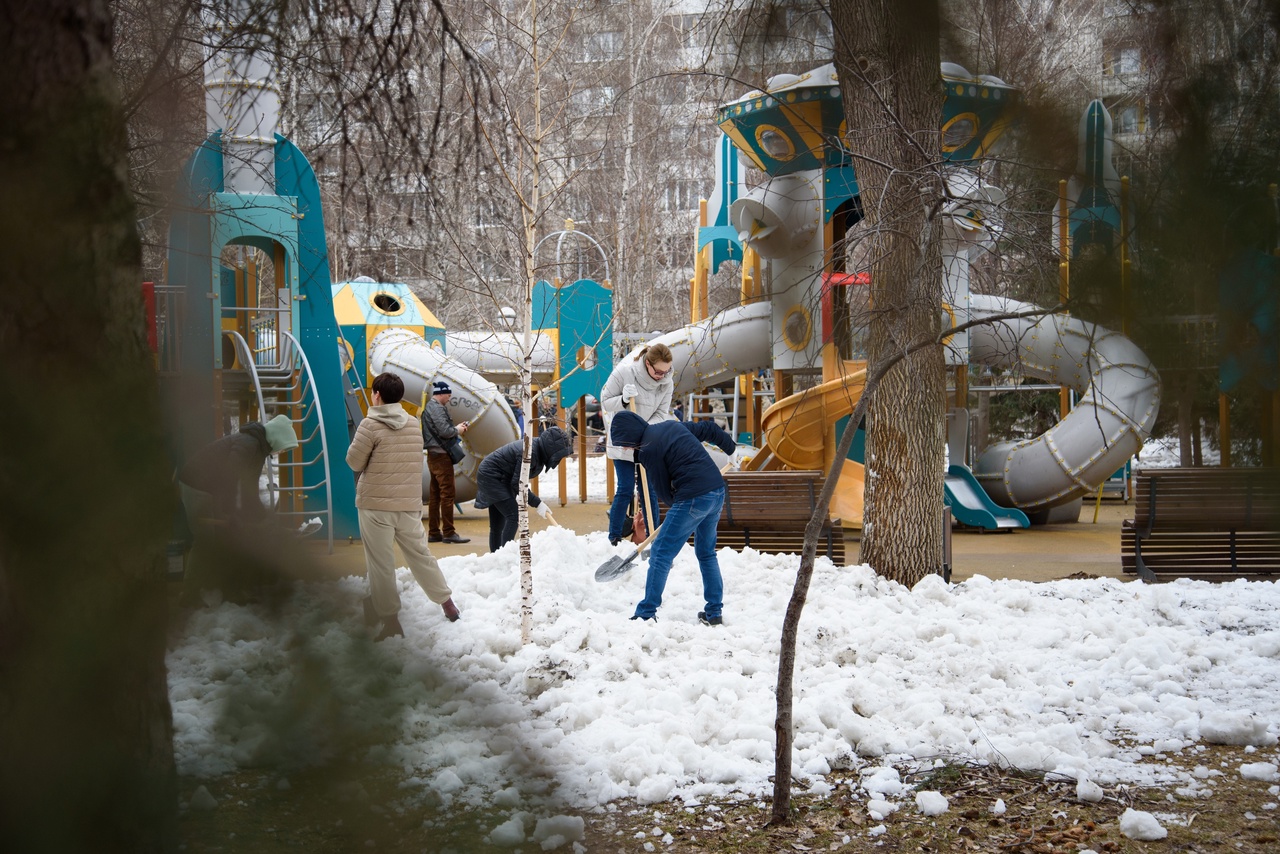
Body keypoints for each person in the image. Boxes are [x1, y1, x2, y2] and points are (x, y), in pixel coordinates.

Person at [348, 372, 460, 640]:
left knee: (381, 564)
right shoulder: (412, 423)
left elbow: (354, 462)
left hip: (375, 506)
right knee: (421, 555)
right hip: (408, 505)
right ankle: (448, 604)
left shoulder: (369, 425)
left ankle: (390, 621)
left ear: (376, 394)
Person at [609, 411, 736, 625]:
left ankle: (646, 612)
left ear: (631, 437)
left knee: (660, 552)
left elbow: (663, 491)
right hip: (716, 491)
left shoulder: (648, 449)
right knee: (706, 553)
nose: (625, 449)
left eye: (624, 444)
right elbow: (709, 429)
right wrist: (731, 449)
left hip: (693, 497)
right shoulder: (671, 426)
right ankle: (714, 612)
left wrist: (679, 510)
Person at [177, 413, 303, 603]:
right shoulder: (248, 444)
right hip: (197, 486)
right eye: (283, 448)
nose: (281, 453)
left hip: (209, 488)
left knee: (226, 538)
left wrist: (261, 518)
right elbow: (230, 477)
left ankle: (227, 590)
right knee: (206, 540)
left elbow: (248, 487)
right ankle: (190, 595)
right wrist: (230, 512)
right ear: (277, 438)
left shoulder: (258, 448)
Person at [599, 343, 676, 546]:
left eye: (666, 371)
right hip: (623, 440)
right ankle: (614, 538)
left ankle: (653, 537)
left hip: (646, 441)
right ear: (647, 363)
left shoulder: (667, 383)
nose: (662, 375)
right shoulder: (625, 372)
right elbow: (605, 401)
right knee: (625, 488)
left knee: (648, 489)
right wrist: (623, 400)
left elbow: (661, 413)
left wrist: (643, 433)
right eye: (658, 371)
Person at [472, 427, 573, 552]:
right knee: (513, 515)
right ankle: (504, 555)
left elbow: (518, 481)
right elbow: (518, 484)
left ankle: (496, 555)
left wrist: (536, 502)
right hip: (492, 477)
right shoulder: (530, 453)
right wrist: (537, 503)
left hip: (497, 475)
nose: (558, 461)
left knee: (498, 523)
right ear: (551, 450)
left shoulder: (536, 450)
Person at [421, 380, 470, 544]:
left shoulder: (429, 407)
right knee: (448, 495)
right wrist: (458, 430)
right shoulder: (437, 408)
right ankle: (449, 532)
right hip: (442, 457)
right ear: (441, 393)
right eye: (448, 395)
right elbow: (445, 431)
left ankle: (434, 532)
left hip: (433, 455)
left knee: (435, 496)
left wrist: (455, 427)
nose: (449, 399)